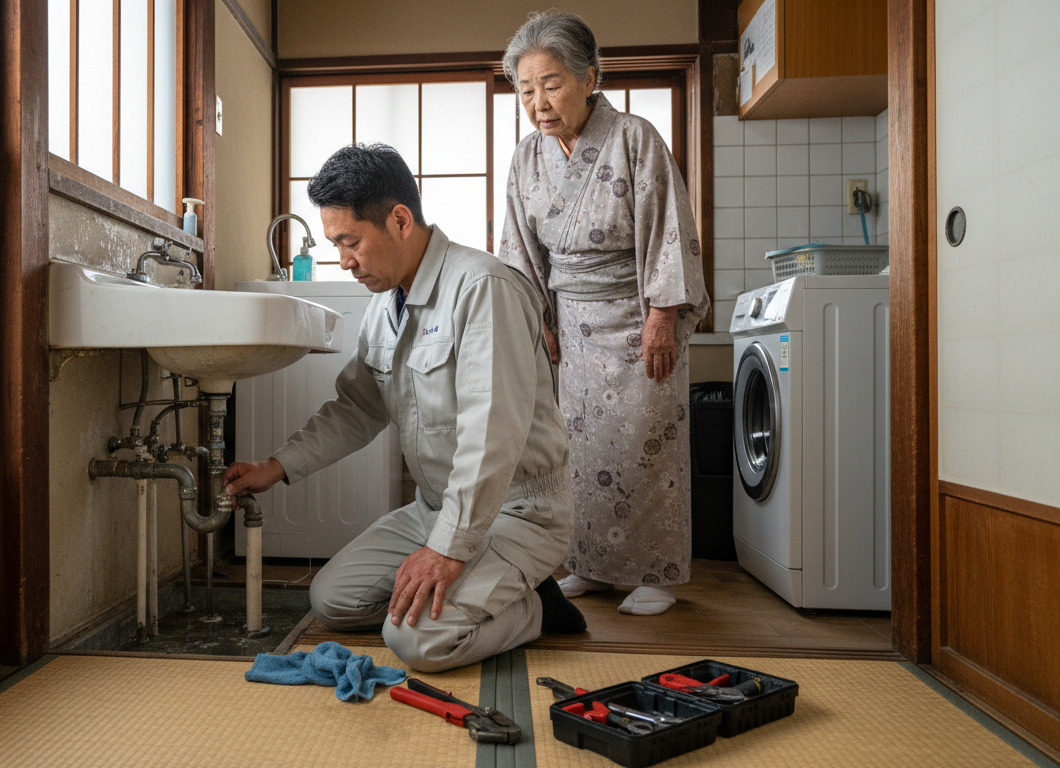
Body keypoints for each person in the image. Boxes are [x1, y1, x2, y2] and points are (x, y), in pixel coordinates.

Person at [224, 143, 586, 673]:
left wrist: (449, 549)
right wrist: (275, 468)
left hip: (518, 511)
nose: (344, 261)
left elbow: (492, 437)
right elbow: (355, 409)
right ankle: (485, 587)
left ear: (399, 220)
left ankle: (535, 606)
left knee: (418, 642)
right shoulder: (384, 307)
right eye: (335, 244)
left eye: (350, 242)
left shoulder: (482, 288)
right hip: (435, 507)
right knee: (333, 599)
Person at [496, 11, 709, 616]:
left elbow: (670, 228)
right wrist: (536, 319)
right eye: (526, 88)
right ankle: (588, 563)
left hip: (638, 319)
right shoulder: (526, 159)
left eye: (552, 83)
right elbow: (517, 248)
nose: (538, 101)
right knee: (577, 450)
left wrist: (664, 315)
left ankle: (656, 572)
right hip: (571, 325)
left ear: (590, 77)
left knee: (647, 443)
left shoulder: (635, 137)